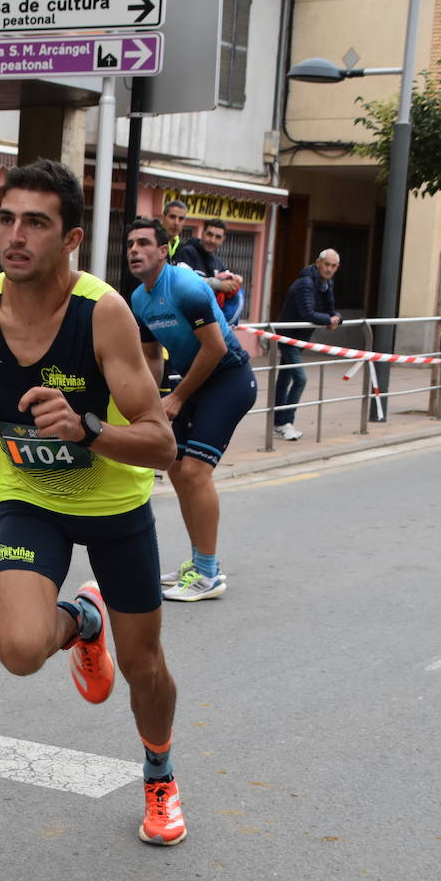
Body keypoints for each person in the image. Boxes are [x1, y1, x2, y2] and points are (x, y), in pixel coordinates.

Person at [0, 158, 185, 846]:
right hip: (33, 496)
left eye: (37, 223)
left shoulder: (103, 313)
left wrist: (87, 427)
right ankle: (83, 620)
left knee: (144, 667)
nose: (15, 236)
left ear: (71, 237)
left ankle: (159, 772)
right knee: (21, 648)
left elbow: (162, 443)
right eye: (7, 220)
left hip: (113, 504)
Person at [127, 218, 257, 602]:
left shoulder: (185, 287)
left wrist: (178, 398)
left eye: (144, 244)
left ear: (164, 250)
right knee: (176, 469)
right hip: (193, 383)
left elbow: (215, 348)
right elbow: (151, 356)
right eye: (130, 244)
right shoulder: (139, 299)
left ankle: (208, 574)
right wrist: (151, 401)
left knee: (196, 471)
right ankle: (200, 563)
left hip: (229, 379)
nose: (134, 250)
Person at [275, 249, 342, 440]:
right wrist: (331, 319)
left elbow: (330, 310)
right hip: (288, 337)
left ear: (337, 268)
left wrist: (336, 317)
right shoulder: (306, 283)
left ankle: (279, 423)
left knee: (285, 378)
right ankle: (285, 422)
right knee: (300, 378)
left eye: (333, 266)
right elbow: (308, 313)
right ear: (318, 262)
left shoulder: (326, 283)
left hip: (300, 338)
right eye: (326, 264)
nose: (329, 269)